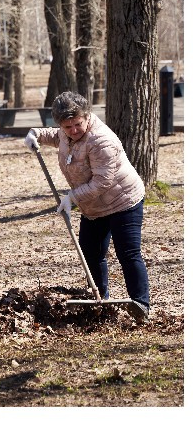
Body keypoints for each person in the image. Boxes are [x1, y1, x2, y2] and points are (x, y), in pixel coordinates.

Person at [23, 90, 150, 320]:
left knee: (128, 253)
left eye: (77, 124)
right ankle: (100, 301)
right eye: (67, 126)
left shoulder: (101, 140)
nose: (73, 130)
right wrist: (35, 134)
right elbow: (55, 136)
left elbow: (103, 182)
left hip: (123, 201)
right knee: (91, 253)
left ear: (86, 116)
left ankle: (141, 306)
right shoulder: (65, 134)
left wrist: (72, 198)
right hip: (93, 206)